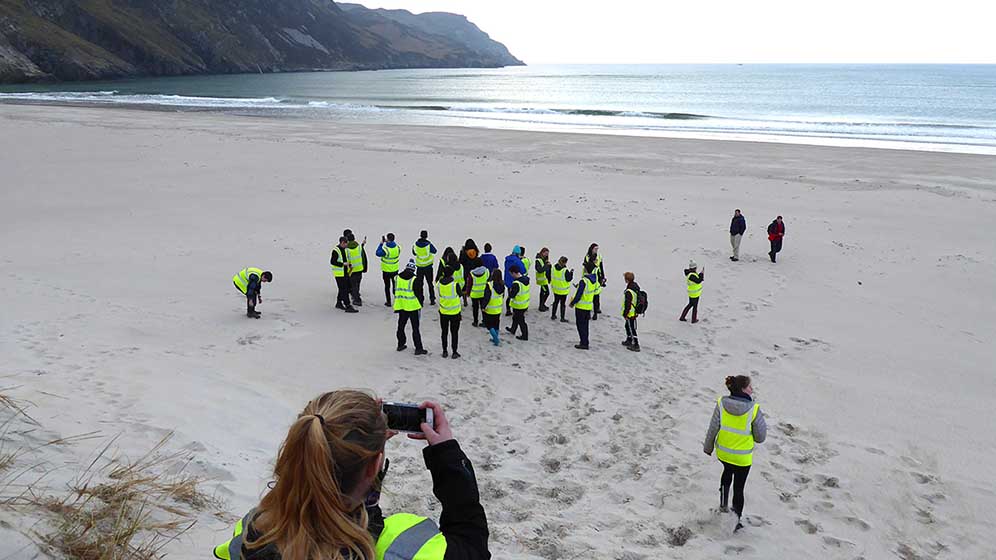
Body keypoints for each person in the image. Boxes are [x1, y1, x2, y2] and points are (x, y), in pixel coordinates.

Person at [212, 391, 490, 560]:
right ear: (373, 468)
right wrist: (448, 456)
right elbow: (471, 544)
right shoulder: (400, 545)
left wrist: (366, 459)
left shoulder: (253, 530)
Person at [703, 375, 767, 533]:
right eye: (750, 387)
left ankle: (723, 506)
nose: (752, 389)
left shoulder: (721, 403)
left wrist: (708, 447)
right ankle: (735, 520)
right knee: (739, 488)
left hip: (724, 453)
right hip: (742, 457)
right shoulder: (754, 409)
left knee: (726, 474)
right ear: (743, 389)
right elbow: (760, 437)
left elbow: (713, 427)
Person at [395, 260, 428, 355]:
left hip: (402, 305)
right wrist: (420, 304)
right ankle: (418, 348)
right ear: (413, 270)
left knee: (401, 326)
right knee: (415, 328)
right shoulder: (415, 279)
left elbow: (395, 290)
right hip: (413, 307)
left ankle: (400, 344)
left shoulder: (397, 278)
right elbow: (419, 294)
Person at [569, 270, 600, 350]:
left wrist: (573, 303)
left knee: (580, 325)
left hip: (581, 307)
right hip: (588, 306)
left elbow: (579, 294)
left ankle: (584, 343)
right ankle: (585, 341)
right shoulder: (593, 280)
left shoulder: (584, 281)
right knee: (585, 325)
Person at [436, 269, 463, 359]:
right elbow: (460, 294)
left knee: (444, 332)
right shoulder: (455, 285)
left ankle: (444, 351)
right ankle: (454, 351)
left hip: (443, 311)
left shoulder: (439, 284)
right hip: (455, 312)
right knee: (454, 333)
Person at [330, 237, 358, 313]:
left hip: (345, 272)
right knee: (344, 290)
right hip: (339, 274)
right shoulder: (336, 251)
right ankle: (348, 305)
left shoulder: (344, 250)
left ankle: (339, 303)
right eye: (346, 244)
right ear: (342, 242)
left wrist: (349, 264)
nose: (347, 245)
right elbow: (332, 262)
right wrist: (343, 264)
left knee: (345, 288)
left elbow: (345, 259)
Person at [412, 230, 438, 306]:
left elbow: (414, 252)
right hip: (428, 267)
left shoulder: (416, 244)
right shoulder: (428, 245)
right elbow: (435, 251)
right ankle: (432, 299)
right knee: (430, 284)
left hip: (419, 267)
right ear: (426, 236)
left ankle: (420, 300)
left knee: (420, 284)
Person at [505, 266, 530, 341]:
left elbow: (512, 295)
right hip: (524, 303)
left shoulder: (516, 283)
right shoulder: (525, 279)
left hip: (519, 305)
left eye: (511, 274)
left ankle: (524, 335)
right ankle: (513, 329)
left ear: (513, 273)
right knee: (515, 318)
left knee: (521, 320)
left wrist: (510, 292)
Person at [376, 233, 401, 307]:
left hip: (386, 270)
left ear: (388, 239)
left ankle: (388, 301)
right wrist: (387, 242)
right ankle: (397, 301)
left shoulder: (385, 249)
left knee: (387, 286)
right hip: (395, 270)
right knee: (395, 286)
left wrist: (381, 244)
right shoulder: (398, 248)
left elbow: (377, 253)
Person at [583, 244, 606, 320]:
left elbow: (601, 267)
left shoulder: (599, 256)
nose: (596, 250)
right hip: (589, 278)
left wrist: (603, 277)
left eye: (597, 249)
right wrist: (594, 263)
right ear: (591, 249)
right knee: (589, 296)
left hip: (597, 278)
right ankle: (588, 312)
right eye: (595, 249)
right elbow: (587, 268)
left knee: (596, 296)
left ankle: (596, 311)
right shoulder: (587, 257)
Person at [482, 269, 504, 346]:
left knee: (489, 325)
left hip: (490, 308)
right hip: (498, 307)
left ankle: (496, 339)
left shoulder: (489, 285)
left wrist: (483, 306)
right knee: (496, 324)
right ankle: (495, 337)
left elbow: (486, 297)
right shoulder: (502, 284)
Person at [345, 232, 367, 307]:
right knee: (357, 284)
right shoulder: (359, 247)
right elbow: (363, 257)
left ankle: (357, 300)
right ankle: (357, 295)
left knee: (353, 285)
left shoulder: (346, 249)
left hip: (351, 270)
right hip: (359, 269)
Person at [459, 239, 483, 306]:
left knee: (465, 285)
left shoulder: (463, 252)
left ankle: (465, 300)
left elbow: (461, 261)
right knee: (473, 285)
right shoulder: (475, 252)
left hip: (466, 271)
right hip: (473, 270)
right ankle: (473, 300)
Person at [621, 272, 641, 352]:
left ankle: (636, 344)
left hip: (630, 312)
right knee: (627, 326)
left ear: (627, 279)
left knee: (631, 328)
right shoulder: (635, 287)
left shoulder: (629, 291)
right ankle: (629, 339)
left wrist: (625, 313)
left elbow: (627, 304)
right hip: (634, 311)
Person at [549, 257, 573, 323]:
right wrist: (571, 273)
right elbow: (569, 279)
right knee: (562, 304)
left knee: (555, 302)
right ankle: (562, 318)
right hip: (563, 290)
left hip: (555, 289)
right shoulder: (565, 270)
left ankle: (553, 315)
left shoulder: (553, 267)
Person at [502, 247, 525, 316]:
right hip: (515, 280)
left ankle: (508, 310)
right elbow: (523, 270)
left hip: (508, 280)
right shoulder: (517, 261)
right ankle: (515, 309)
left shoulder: (507, 259)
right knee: (515, 296)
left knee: (509, 295)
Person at [534, 248, 552, 312]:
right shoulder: (538, 260)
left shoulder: (545, 260)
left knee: (542, 293)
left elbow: (548, 270)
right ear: (542, 252)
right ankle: (541, 305)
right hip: (542, 280)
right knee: (547, 292)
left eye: (547, 254)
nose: (546, 255)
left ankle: (542, 305)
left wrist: (549, 266)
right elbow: (539, 270)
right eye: (545, 253)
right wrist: (547, 265)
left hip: (545, 279)